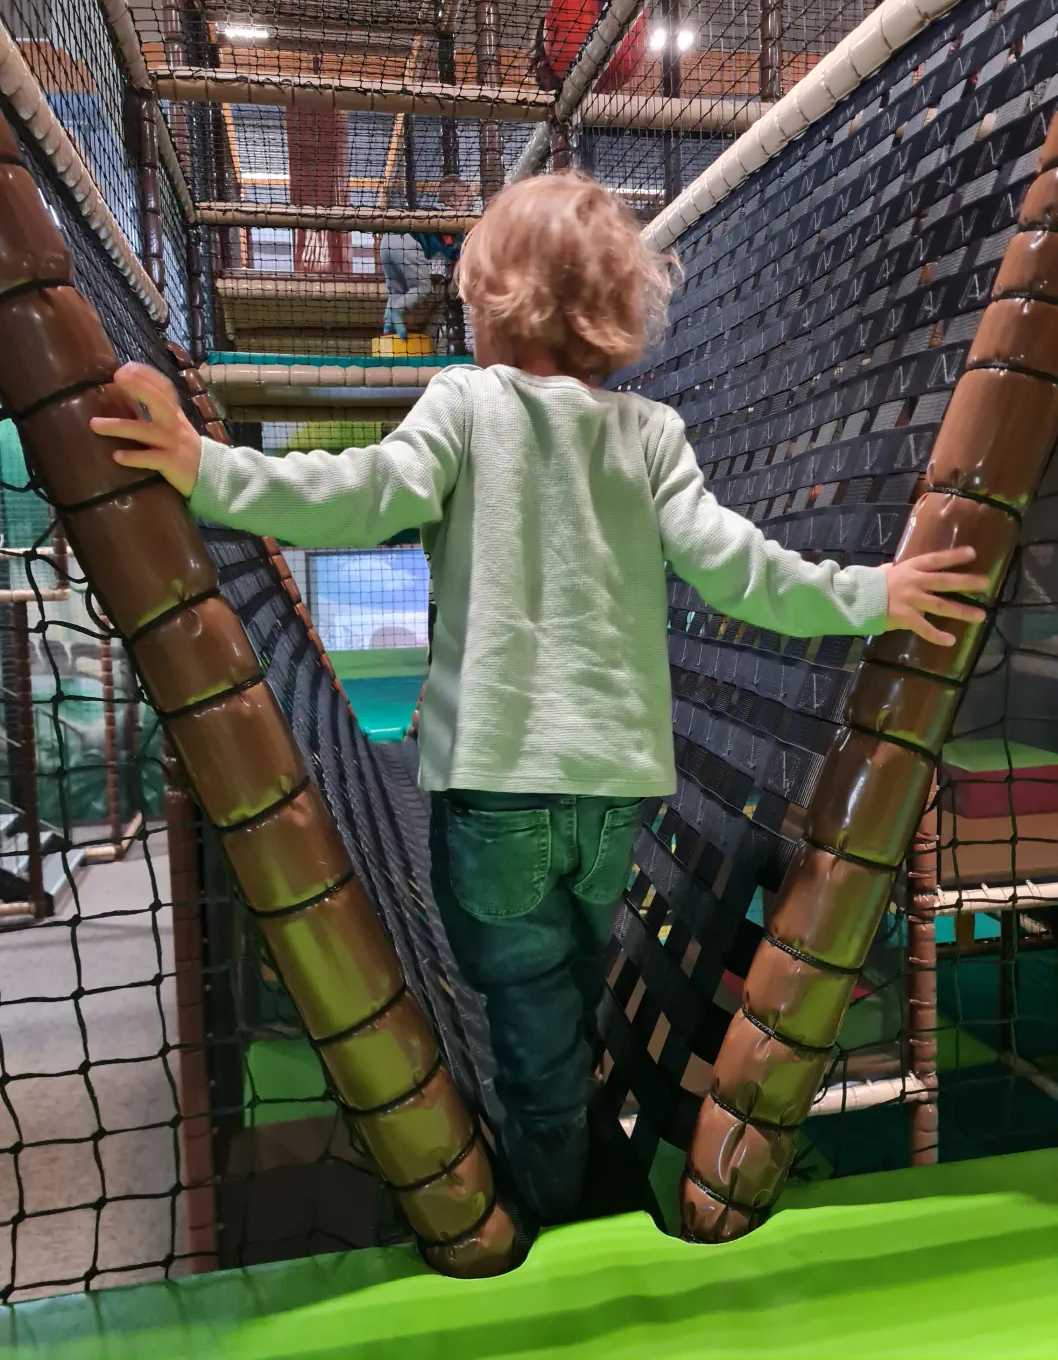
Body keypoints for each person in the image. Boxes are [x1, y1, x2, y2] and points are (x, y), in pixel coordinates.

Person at [91, 172, 988, 1237]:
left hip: (494, 791)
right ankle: (568, 1126)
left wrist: (202, 467)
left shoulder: (465, 407)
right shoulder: (649, 432)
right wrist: (871, 592)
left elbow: (349, 495)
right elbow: (738, 570)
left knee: (519, 1006)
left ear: (490, 302)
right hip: (611, 796)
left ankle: (549, 1205)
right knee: (564, 974)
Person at [379, 173, 477, 341]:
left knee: (396, 290)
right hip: (407, 242)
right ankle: (397, 311)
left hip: (386, 243)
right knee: (422, 288)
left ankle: (388, 327)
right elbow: (454, 251)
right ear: (453, 200)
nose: (469, 205)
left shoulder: (432, 213)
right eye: (467, 199)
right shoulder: (451, 219)